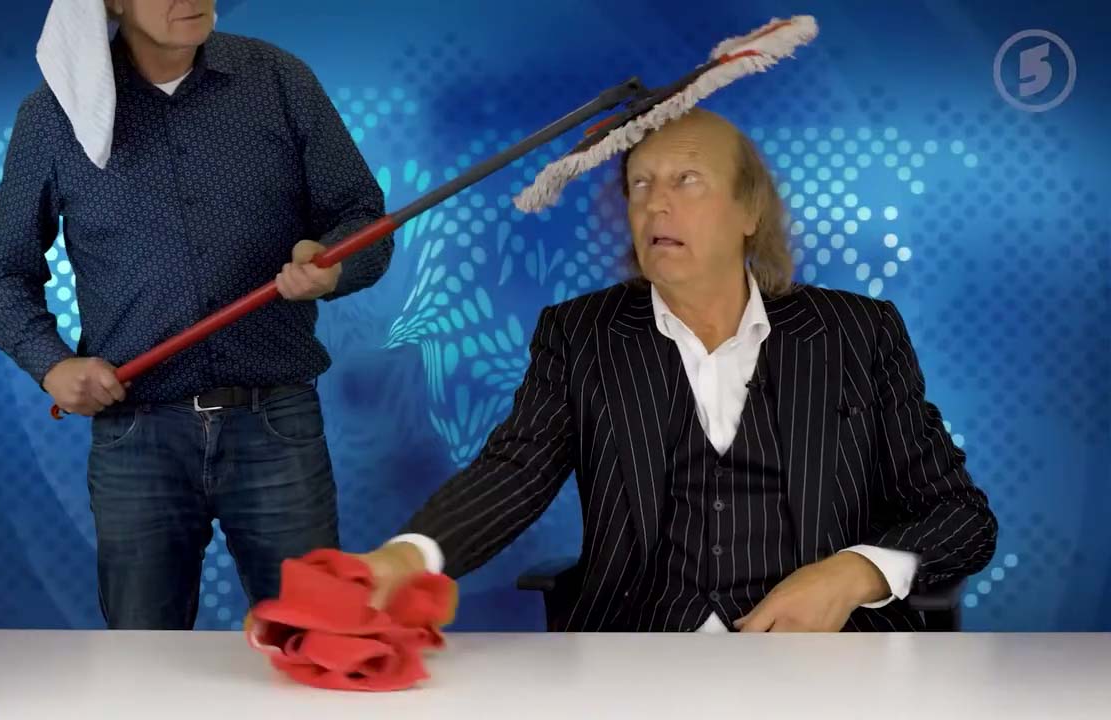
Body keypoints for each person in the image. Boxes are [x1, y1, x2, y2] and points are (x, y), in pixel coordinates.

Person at [358, 108, 997, 632]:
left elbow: (961, 517)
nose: (656, 204)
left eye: (687, 180)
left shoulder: (857, 332)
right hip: (635, 652)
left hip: (827, 658)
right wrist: (410, 556)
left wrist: (851, 574)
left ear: (750, 213)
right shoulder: (579, 335)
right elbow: (515, 472)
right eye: (640, 185)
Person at [0, 0, 393, 629]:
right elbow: (5, 270)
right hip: (137, 437)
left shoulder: (279, 79)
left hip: (276, 423)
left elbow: (361, 218)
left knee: (316, 636)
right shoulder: (54, 114)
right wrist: (52, 366)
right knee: (142, 656)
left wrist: (333, 267)